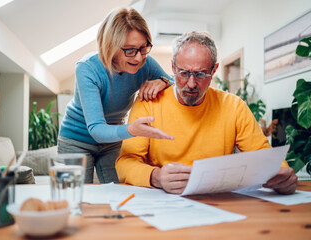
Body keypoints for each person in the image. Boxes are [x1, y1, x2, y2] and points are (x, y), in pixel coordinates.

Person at [116, 31, 298, 195]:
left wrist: (284, 176)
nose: (192, 83)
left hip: (216, 202)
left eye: (201, 74)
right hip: (161, 202)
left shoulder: (234, 107)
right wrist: (156, 177)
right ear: (172, 68)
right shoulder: (149, 103)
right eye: (184, 73)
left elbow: (263, 156)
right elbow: (125, 163)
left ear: (214, 70)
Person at [58, 8, 174, 184]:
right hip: (76, 140)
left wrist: (163, 81)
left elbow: (176, 83)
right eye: (130, 50)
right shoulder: (87, 68)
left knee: (119, 191)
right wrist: (131, 130)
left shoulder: (146, 63)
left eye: (144, 48)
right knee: (78, 198)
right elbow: (96, 129)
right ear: (110, 46)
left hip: (113, 140)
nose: (138, 58)